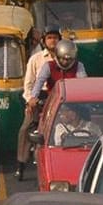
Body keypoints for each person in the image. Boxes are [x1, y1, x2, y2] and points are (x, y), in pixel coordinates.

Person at [16, 28, 63, 179]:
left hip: (59, 98)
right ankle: (21, 164)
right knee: (25, 129)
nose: (52, 41)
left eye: (55, 38)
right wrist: (30, 100)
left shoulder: (65, 58)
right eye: (49, 38)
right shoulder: (36, 59)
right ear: (44, 41)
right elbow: (28, 85)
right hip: (38, 98)